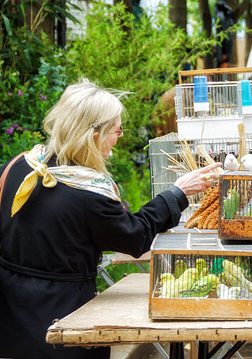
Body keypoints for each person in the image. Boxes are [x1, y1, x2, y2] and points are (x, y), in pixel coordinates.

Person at [0, 80, 222, 359]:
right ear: (94, 134)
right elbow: (135, 236)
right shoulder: (87, 194)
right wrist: (178, 193)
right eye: (116, 130)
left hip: (11, 323)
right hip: (64, 326)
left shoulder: (19, 166)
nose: (119, 137)